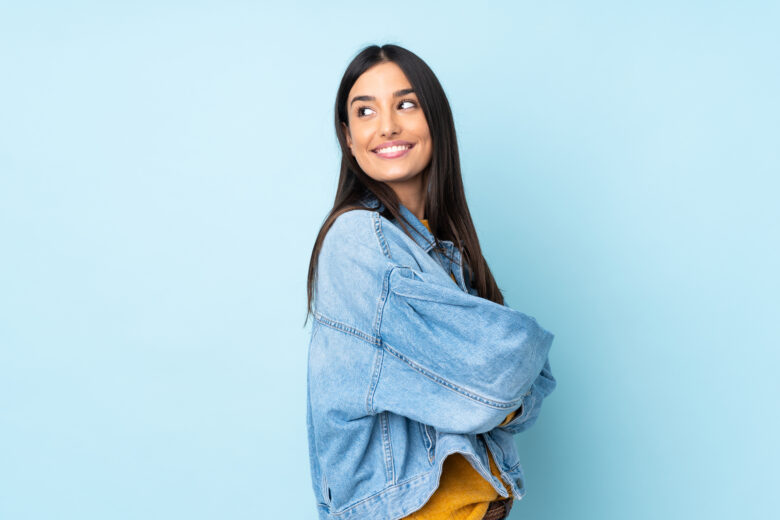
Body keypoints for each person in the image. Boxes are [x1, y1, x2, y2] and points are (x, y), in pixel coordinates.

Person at [304, 44, 557, 520]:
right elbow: (506, 366)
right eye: (365, 111)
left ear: (434, 119)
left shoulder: (444, 255)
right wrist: (495, 393)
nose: (387, 126)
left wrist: (493, 391)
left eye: (406, 103)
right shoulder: (357, 240)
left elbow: (530, 378)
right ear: (349, 137)